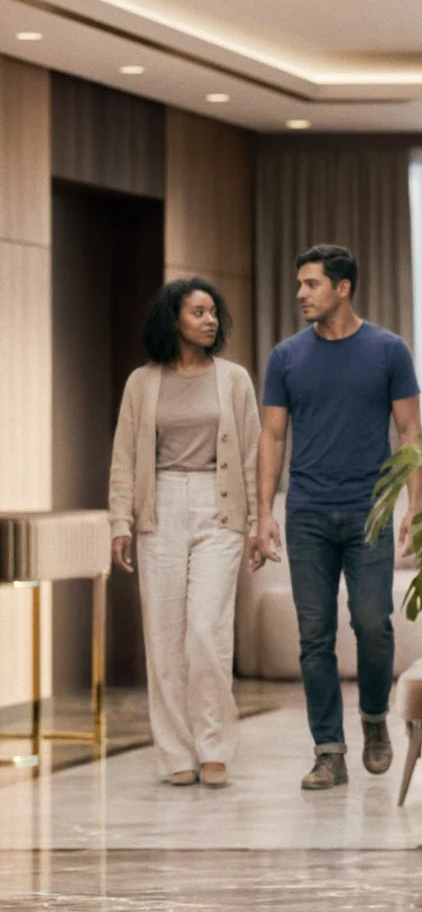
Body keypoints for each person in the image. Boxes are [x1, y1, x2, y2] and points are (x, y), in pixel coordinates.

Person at [255, 244, 422, 791]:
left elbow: (410, 433)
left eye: (312, 284)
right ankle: (328, 750)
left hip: (368, 514)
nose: (301, 294)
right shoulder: (285, 358)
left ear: (343, 287)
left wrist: (415, 505)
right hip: (305, 514)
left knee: (373, 625)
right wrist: (264, 513)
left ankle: (375, 720)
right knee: (314, 637)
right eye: (300, 284)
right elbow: (272, 435)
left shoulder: (388, 351)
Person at [107, 279, 259, 788]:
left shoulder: (234, 379)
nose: (210, 320)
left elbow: (255, 457)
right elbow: (125, 457)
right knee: (164, 637)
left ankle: (214, 746)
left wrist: (258, 523)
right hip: (160, 509)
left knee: (205, 633)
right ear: (174, 319)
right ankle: (176, 751)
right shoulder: (142, 382)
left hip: (219, 511)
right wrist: (119, 522)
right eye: (198, 312)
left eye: (214, 312)